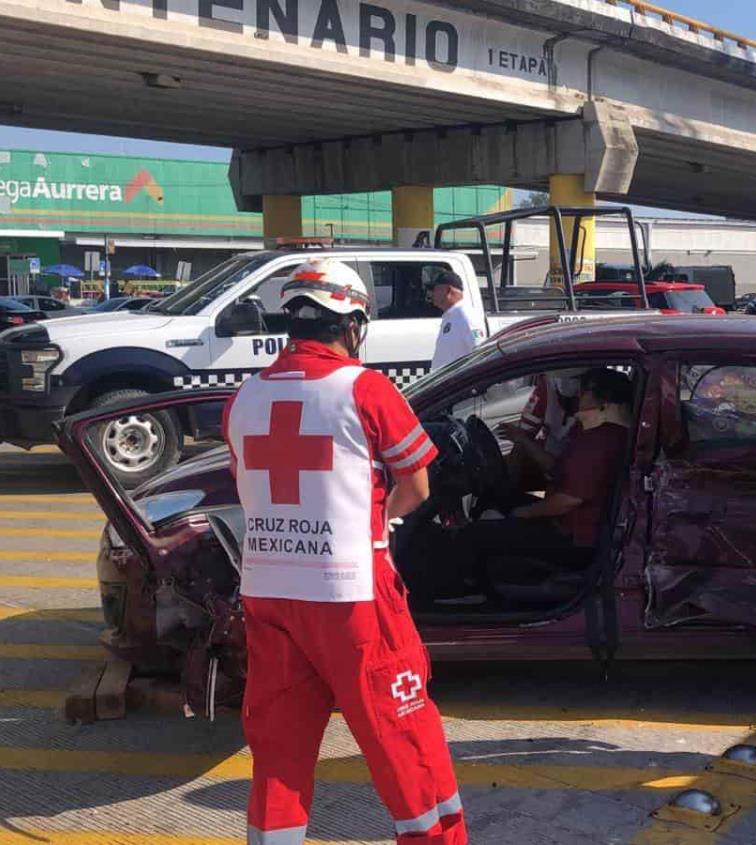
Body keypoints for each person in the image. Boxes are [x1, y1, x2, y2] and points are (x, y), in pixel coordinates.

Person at [223, 258, 467, 845]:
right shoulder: (366, 388)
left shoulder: (244, 398)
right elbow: (417, 486)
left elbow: (246, 486)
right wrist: (376, 519)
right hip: (352, 595)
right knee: (400, 735)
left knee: (278, 747)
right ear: (353, 322)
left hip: (269, 593)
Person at [460, 368, 633, 591]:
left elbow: (568, 500)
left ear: (604, 400)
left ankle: (469, 594)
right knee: (501, 498)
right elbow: (556, 468)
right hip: (569, 524)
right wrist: (522, 440)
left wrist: (522, 514)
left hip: (574, 539)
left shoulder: (600, 442)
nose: (579, 394)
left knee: (475, 535)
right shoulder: (591, 434)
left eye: (585, 390)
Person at [429, 269, 485, 370]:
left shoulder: (466, 315)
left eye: (435, 289)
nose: (432, 293)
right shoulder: (451, 315)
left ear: (448, 291)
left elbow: (479, 353)